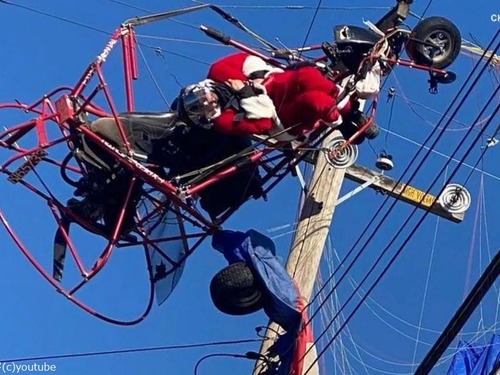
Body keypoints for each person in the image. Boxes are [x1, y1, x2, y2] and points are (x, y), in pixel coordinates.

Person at [207, 52, 379, 143]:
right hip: (280, 120)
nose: (207, 101)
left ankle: (349, 111)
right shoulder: (222, 120)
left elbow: (248, 61)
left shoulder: (218, 72)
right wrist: (246, 94)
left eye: (200, 97)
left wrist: (257, 75)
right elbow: (264, 123)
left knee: (308, 75)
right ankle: (340, 123)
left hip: (276, 83)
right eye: (203, 107)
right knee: (314, 102)